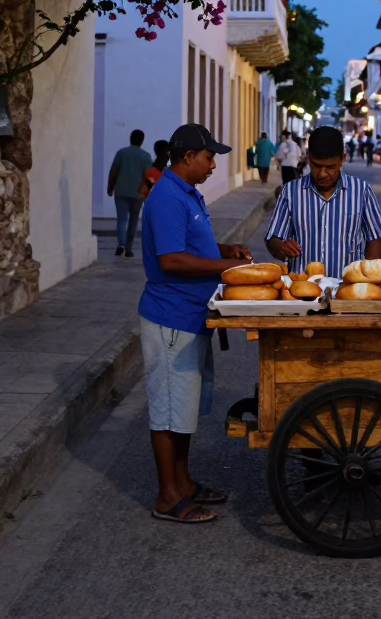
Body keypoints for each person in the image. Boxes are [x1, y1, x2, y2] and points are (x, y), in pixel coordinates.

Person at [138, 123, 253, 524]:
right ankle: (168, 497)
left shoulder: (187, 194)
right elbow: (171, 260)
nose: (212, 164)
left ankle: (183, 483)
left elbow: (190, 244)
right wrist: (227, 266)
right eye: (209, 157)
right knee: (169, 411)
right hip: (171, 318)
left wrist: (225, 249)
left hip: (191, 315)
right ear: (188, 157)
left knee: (183, 408)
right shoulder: (167, 196)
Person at [265, 125, 381, 276]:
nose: (322, 174)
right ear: (308, 157)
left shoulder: (362, 191)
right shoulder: (289, 192)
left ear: (342, 159)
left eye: (330, 167)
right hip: (302, 289)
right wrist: (281, 246)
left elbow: (375, 238)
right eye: (316, 166)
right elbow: (273, 238)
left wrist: (370, 279)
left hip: (345, 290)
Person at [107, 129, 153, 258]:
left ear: (130, 138)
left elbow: (113, 171)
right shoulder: (145, 156)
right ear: (142, 141)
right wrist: (146, 192)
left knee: (121, 219)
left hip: (121, 190)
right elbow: (148, 176)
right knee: (133, 221)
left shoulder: (121, 153)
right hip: (137, 193)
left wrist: (110, 187)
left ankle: (121, 244)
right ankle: (128, 247)